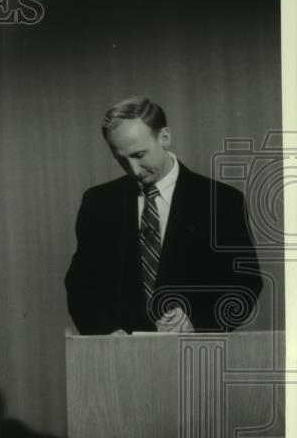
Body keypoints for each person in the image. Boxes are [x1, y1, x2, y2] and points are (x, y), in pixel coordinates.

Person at [64, 97, 262, 335]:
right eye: (121, 160)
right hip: (118, 360)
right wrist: (105, 332)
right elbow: (81, 284)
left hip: (193, 355)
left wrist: (197, 321)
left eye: (139, 155)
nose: (134, 170)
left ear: (165, 137)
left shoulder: (222, 201)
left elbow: (244, 284)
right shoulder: (98, 203)